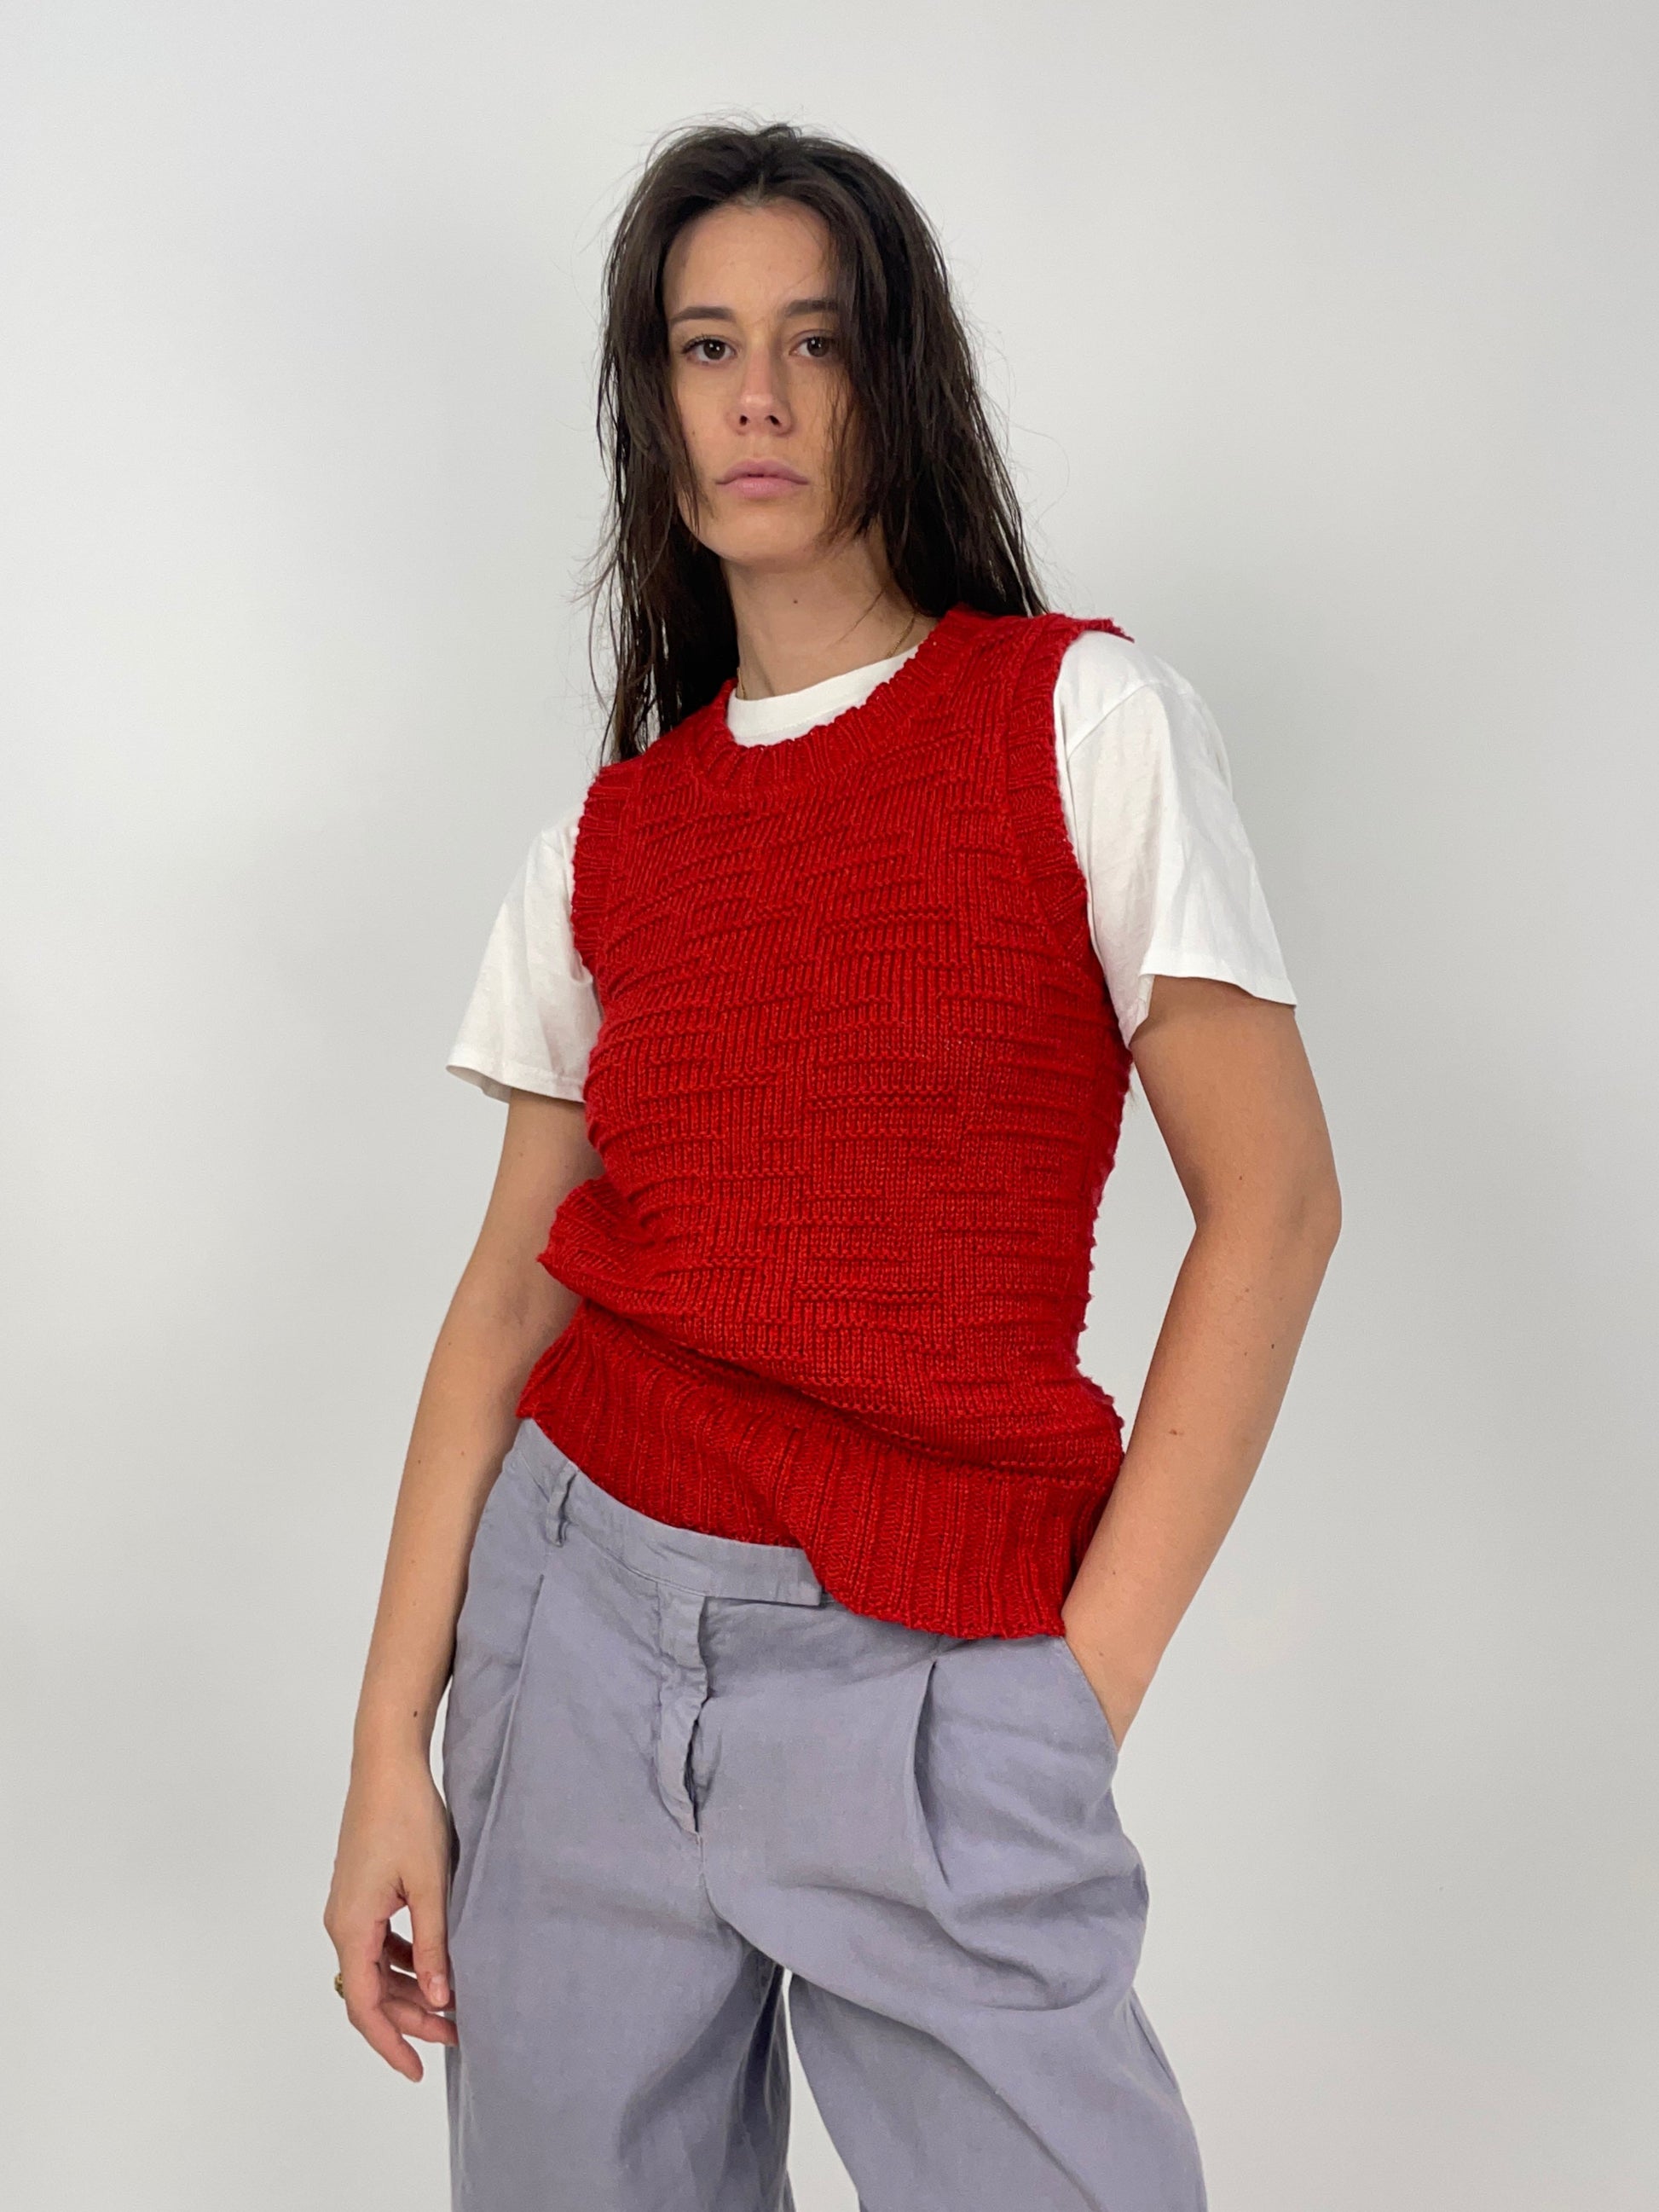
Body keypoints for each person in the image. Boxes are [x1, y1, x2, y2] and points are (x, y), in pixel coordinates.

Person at [324, 117, 1341, 2211]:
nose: (760, 397)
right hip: (575, 1636)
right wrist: (384, 1755)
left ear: (900, 378)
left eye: (815, 340)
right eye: (705, 347)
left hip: (938, 1673)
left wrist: (1075, 1694)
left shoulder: (1077, 724)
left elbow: (1276, 1205)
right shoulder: (612, 844)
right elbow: (509, 1294)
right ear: (655, 404)